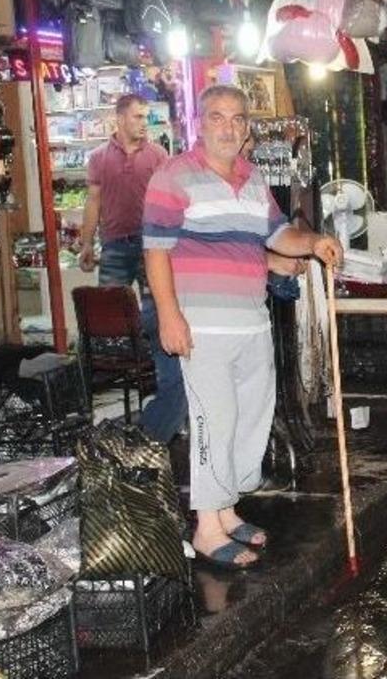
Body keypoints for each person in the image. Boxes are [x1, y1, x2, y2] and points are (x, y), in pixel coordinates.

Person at [143, 85, 342, 569]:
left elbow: (277, 236)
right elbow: (156, 250)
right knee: (217, 422)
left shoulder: (253, 179)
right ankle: (207, 528)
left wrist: (314, 242)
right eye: (217, 117)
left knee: (252, 418)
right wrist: (170, 316)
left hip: (252, 321)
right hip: (202, 326)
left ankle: (227, 511)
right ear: (199, 122)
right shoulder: (174, 176)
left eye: (237, 119)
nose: (228, 127)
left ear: (247, 127)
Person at [78, 94, 186, 444]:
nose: (144, 122)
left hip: (151, 245)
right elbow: (92, 202)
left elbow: (174, 201)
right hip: (113, 244)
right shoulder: (98, 158)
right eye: (138, 117)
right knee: (105, 322)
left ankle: (167, 389)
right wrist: (85, 243)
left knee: (158, 317)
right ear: (120, 118)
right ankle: (87, 398)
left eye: (146, 117)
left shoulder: (158, 156)